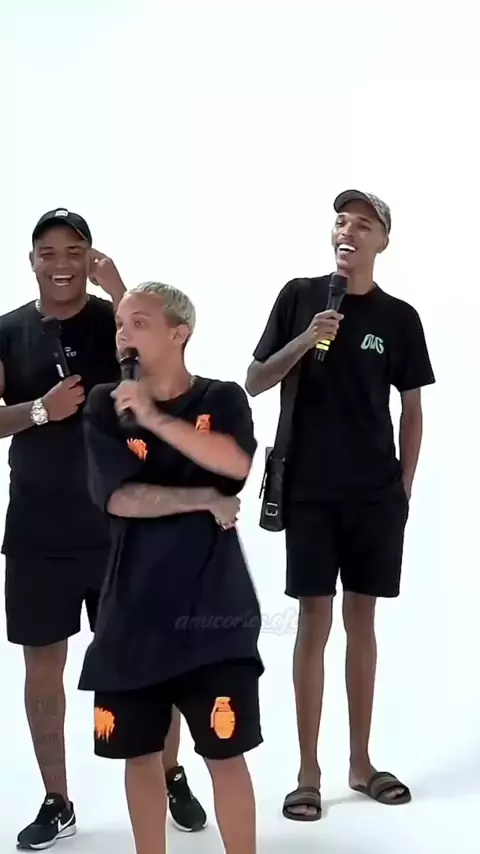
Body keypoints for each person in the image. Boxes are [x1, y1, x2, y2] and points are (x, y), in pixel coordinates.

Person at [0, 211, 205, 850]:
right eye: (48, 252)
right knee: (43, 666)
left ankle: (170, 775)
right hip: (38, 530)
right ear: (31, 260)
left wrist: (119, 289)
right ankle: (57, 800)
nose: (61, 264)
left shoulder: (114, 323)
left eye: (75, 251)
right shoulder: (8, 330)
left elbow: (169, 380)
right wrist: (39, 411)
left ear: (90, 256)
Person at [245, 190, 435, 821]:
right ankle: (308, 772)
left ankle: (360, 762)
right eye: (341, 221)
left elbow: (412, 409)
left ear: (383, 241)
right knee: (313, 622)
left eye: (363, 223)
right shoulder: (300, 297)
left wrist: (403, 487)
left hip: (375, 494)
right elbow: (255, 380)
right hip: (309, 489)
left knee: (363, 620)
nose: (347, 229)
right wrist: (307, 339)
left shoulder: (400, 318)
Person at [79, 281, 263, 854]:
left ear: (179, 333)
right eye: (120, 324)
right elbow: (119, 498)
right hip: (132, 612)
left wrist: (155, 419)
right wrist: (202, 499)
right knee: (139, 754)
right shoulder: (104, 404)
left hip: (215, 612)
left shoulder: (223, 397)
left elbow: (234, 465)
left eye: (139, 323)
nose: (123, 334)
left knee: (225, 753)